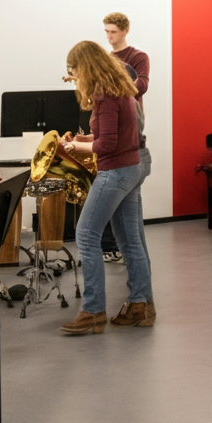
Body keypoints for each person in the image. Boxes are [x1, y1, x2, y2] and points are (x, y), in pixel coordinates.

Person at [58, 41, 154, 335]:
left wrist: (74, 146)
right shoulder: (121, 89)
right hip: (131, 167)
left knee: (86, 236)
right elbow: (113, 138)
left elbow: (108, 145)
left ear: (85, 67)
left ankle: (93, 311)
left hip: (116, 171)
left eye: (74, 70)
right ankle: (141, 305)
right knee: (129, 241)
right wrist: (84, 141)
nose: (73, 76)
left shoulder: (104, 95)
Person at [98, 12, 148, 263]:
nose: (108, 36)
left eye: (113, 32)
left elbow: (141, 86)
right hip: (110, 126)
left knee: (126, 201)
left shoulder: (138, 57)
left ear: (125, 30)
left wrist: (110, 86)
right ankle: (110, 246)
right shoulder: (105, 59)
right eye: (106, 31)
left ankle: (125, 248)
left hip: (130, 130)